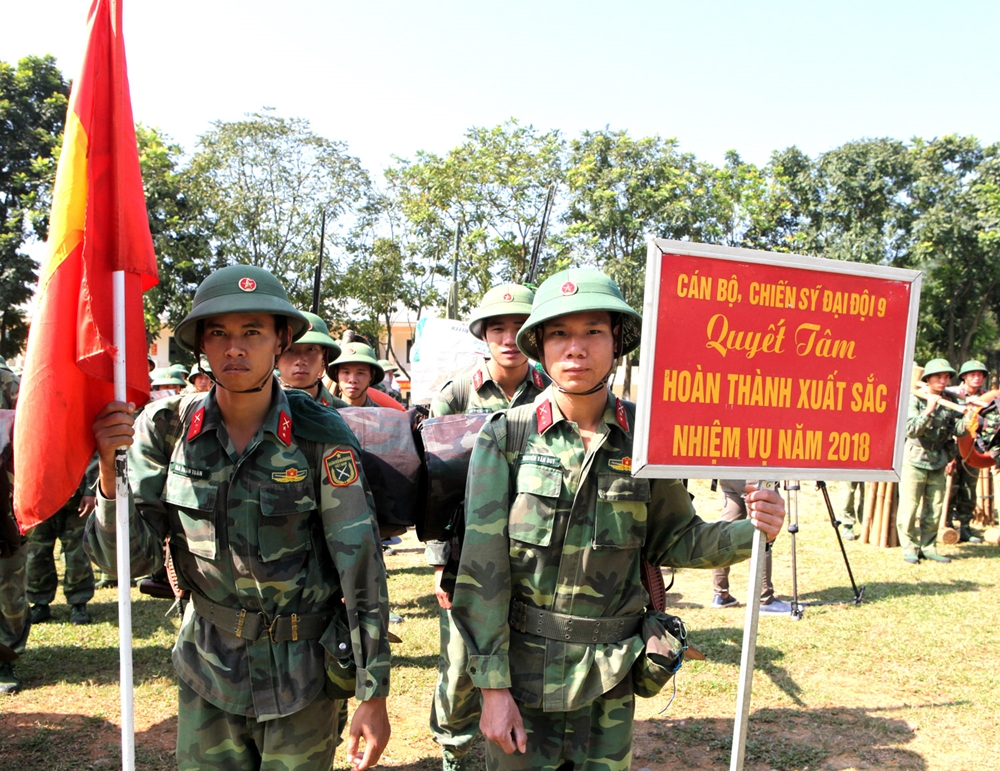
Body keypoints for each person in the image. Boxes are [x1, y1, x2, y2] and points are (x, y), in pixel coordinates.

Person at [451, 268, 786, 771]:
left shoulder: (648, 439)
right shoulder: (507, 436)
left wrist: (753, 531)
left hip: (611, 677)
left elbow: (678, 539)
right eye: (559, 333)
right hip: (524, 678)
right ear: (540, 345)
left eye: (593, 332)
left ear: (616, 343)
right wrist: (493, 690)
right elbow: (482, 572)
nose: (576, 348)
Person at [85, 265, 391, 770]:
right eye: (219, 333)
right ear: (201, 345)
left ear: (281, 340)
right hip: (208, 669)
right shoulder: (166, 429)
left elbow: (360, 565)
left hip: (304, 678)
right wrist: (108, 471)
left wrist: (373, 689)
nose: (234, 348)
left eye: (252, 332)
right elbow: (126, 560)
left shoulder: (319, 436)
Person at [426, 283, 548, 771]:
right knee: (460, 661)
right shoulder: (457, 393)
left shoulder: (553, 388)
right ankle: (453, 750)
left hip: (535, 547)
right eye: (498, 327)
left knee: (522, 654)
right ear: (483, 334)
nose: (509, 337)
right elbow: (436, 486)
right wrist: (439, 562)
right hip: (467, 546)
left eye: (520, 328)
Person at [897, 359, 972, 565]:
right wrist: (928, 410)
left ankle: (928, 547)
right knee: (910, 508)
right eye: (938, 376)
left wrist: (968, 416)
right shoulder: (916, 399)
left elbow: (956, 430)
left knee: (935, 508)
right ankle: (910, 548)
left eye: (946, 377)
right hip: (915, 459)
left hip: (938, 460)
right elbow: (911, 429)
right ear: (928, 379)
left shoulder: (950, 400)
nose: (943, 380)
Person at [26, 455, 98, 625]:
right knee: (36, 553)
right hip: (39, 495)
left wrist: (91, 490)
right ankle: (39, 603)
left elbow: (92, 453)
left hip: (75, 498)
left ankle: (78, 603)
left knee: (77, 554)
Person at [710, 479, 792, 613]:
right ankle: (764, 599)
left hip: (730, 474)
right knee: (762, 532)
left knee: (725, 530)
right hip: (755, 474)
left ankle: (721, 594)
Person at [0, 361, 27, 694]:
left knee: (9, 588)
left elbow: (29, 428)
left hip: (4, 497)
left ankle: (5, 655)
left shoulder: (7, 381)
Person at [946, 359, 989, 543]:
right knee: (950, 487)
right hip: (953, 447)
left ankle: (965, 526)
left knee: (969, 488)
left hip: (974, 449)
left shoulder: (987, 398)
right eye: (973, 375)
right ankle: (946, 525)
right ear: (964, 376)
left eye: (980, 375)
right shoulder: (951, 394)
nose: (977, 378)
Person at [277, 310, 348, 408]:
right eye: (289, 350)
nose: (300, 361)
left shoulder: (346, 414)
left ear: (324, 356)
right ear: (276, 355)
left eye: (311, 349)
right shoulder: (257, 410)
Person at [329, 343, 386, 408]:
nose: (352, 380)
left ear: (371, 375)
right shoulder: (323, 414)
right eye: (346, 372)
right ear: (337, 374)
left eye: (360, 373)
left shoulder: (380, 416)